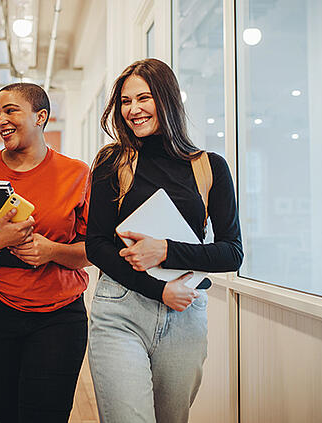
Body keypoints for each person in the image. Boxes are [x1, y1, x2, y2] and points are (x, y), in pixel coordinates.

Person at [86, 58, 244, 422]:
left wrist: (166, 251)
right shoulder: (112, 162)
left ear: (168, 99)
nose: (133, 110)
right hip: (119, 311)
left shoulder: (210, 167)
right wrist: (158, 290)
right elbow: (96, 244)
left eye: (144, 98)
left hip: (185, 315)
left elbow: (232, 253)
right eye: (125, 101)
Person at [0, 82, 91, 422]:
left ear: (41, 117)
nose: (0, 120)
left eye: (11, 110)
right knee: (5, 415)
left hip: (59, 316)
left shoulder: (76, 173)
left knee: (47, 415)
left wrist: (51, 250)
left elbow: (92, 251)